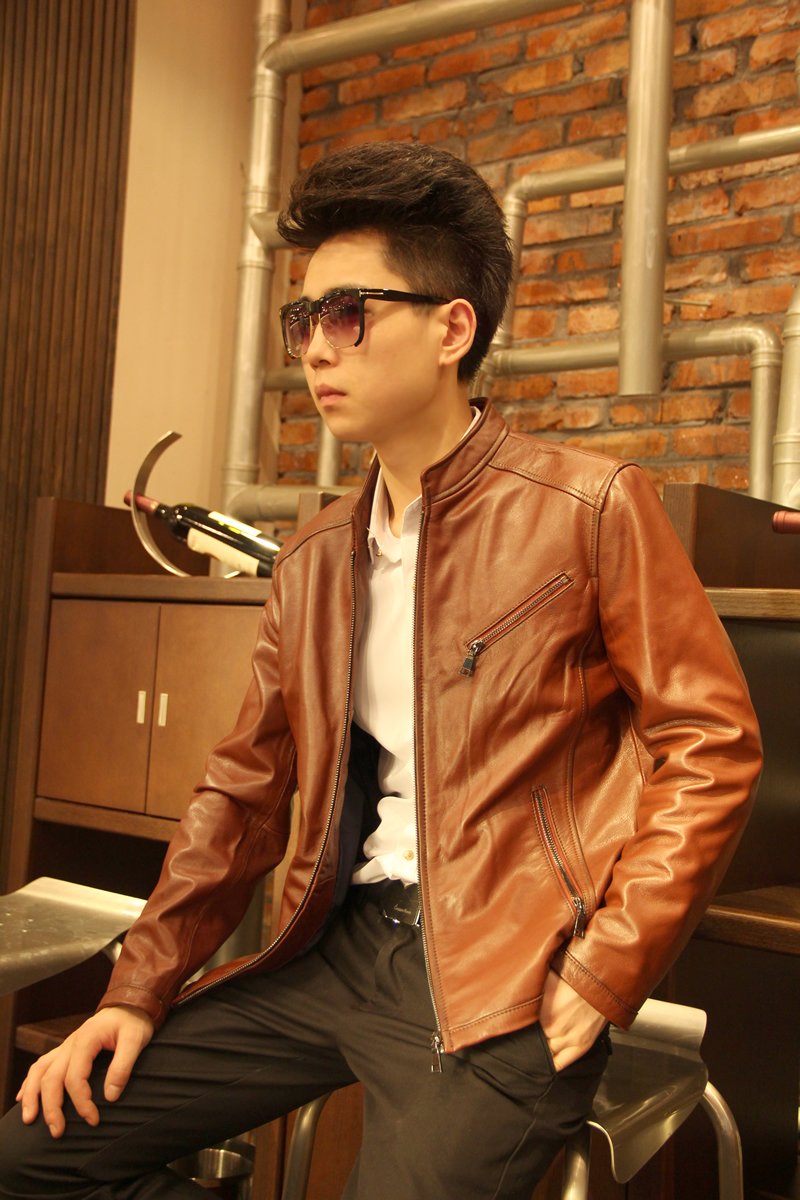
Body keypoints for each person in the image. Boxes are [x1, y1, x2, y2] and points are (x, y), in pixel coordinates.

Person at [0, 142, 761, 1199]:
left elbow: (711, 744)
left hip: (504, 973)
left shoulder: (588, 508)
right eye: (303, 318)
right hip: (336, 948)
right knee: (31, 1158)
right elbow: (243, 789)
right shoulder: (316, 555)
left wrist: (607, 965)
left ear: (452, 328)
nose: (316, 347)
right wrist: (136, 990)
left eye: (348, 313)